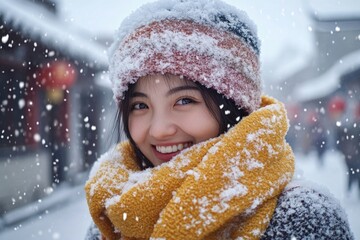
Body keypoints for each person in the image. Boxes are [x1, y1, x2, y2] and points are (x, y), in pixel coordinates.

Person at [85, 0, 354, 239]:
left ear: (234, 107)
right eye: (140, 105)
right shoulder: (111, 219)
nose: (159, 130)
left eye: (184, 101)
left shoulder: (303, 219)